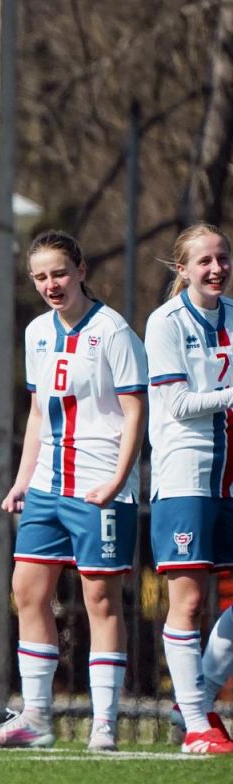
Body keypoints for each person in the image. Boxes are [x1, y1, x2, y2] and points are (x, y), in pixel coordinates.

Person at [0, 231, 147, 752]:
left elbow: (135, 411)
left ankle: (104, 723)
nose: (51, 285)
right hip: (47, 487)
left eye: (59, 273)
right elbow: (37, 413)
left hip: (99, 487)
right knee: (27, 591)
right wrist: (22, 480)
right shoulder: (37, 333)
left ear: (80, 270)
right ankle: (36, 717)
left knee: (100, 598)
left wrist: (118, 480)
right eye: (40, 277)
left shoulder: (113, 331)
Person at [146, 223, 233, 755]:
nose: (216, 268)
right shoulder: (166, 322)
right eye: (204, 261)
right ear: (182, 269)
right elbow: (177, 403)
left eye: (222, 258)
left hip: (230, 475)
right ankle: (198, 726)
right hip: (186, 475)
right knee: (190, 599)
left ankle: (193, 703)